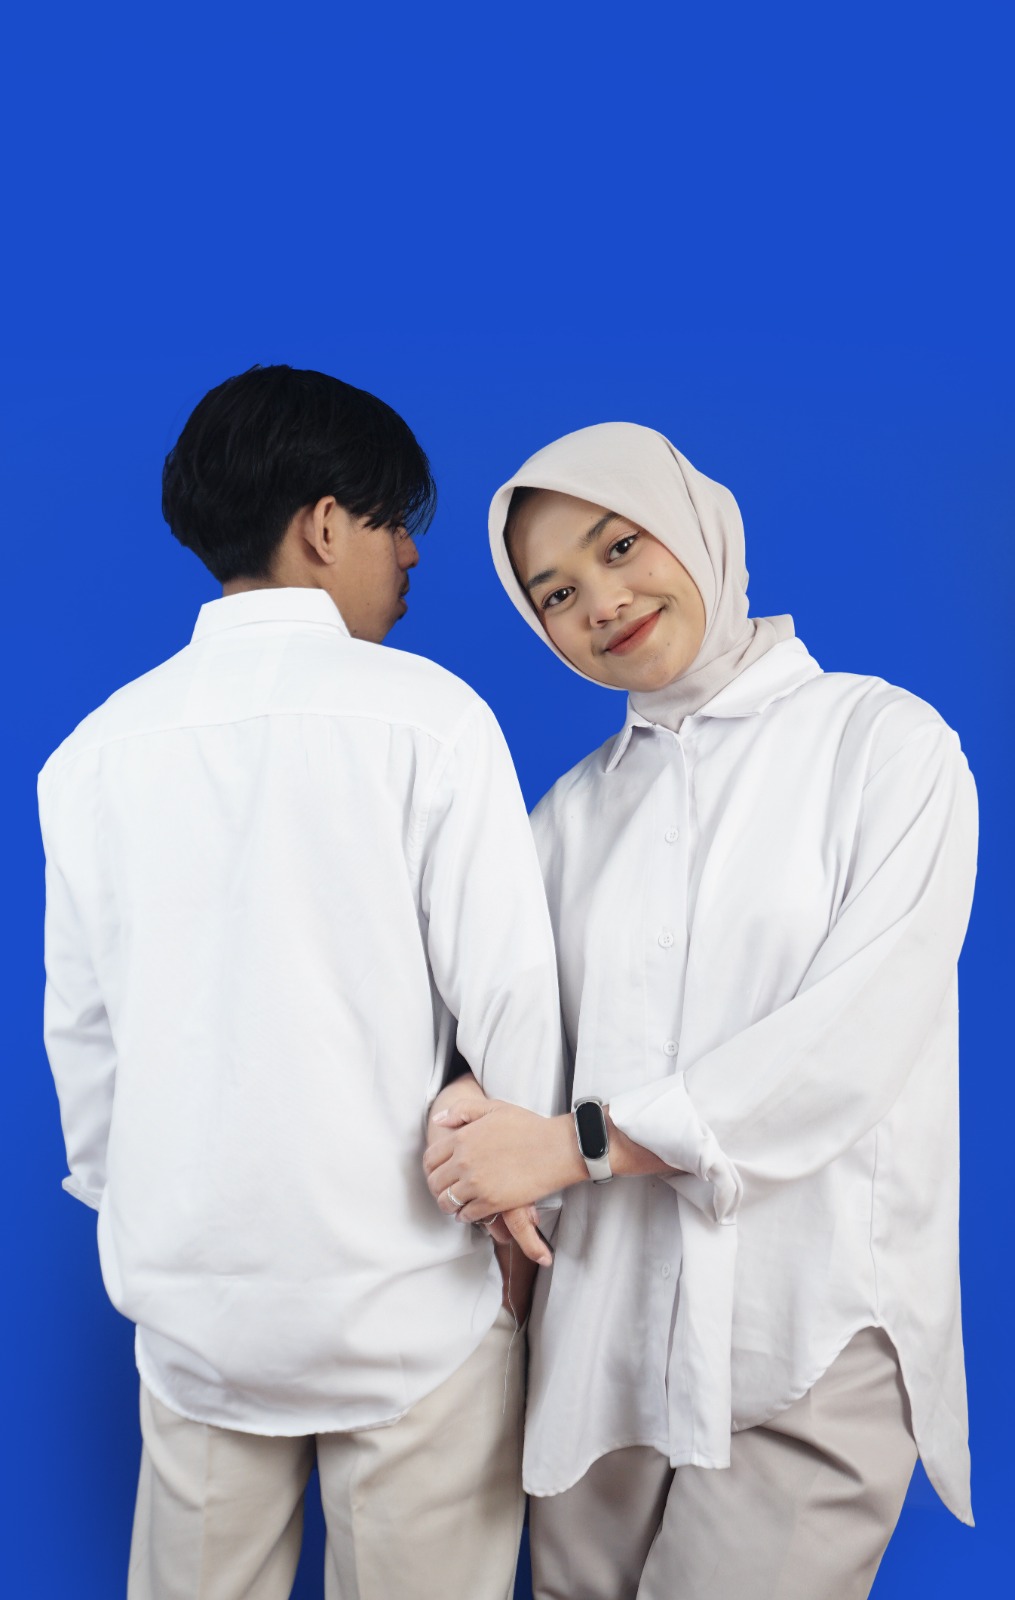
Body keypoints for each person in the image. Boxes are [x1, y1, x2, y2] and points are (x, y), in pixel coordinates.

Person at [424, 422, 978, 1600]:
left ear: (696, 524)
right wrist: (464, 1104)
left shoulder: (883, 744)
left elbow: (849, 1040)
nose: (603, 601)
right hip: (601, 1344)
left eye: (621, 545)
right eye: (555, 592)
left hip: (806, 1321)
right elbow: (505, 1041)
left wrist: (577, 1143)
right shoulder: (563, 819)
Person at [38, 365, 561, 1600]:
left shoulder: (92, 754)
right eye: (392, 522)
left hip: (191, 1313)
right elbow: (511, 1006)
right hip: (409, 1298)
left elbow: (86, 1040)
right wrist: (523, 1218)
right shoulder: (430, 718)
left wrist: (150, 1220)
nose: (411, 553)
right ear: (324, 525)